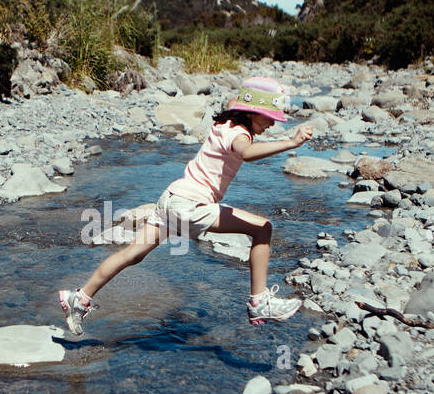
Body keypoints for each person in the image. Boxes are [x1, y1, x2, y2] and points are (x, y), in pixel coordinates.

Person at [58, 75, 313, 335]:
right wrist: (292, 142)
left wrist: (262, 93)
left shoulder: (226, 119)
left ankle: (79, 298)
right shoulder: (240, 134)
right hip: (191, 205)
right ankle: (259, 302)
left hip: (171, 198)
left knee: (131, 255)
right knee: (263, 229)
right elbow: (245, 153)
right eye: (270, 116)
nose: (272, 123)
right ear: (253, 112)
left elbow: (234, 99)